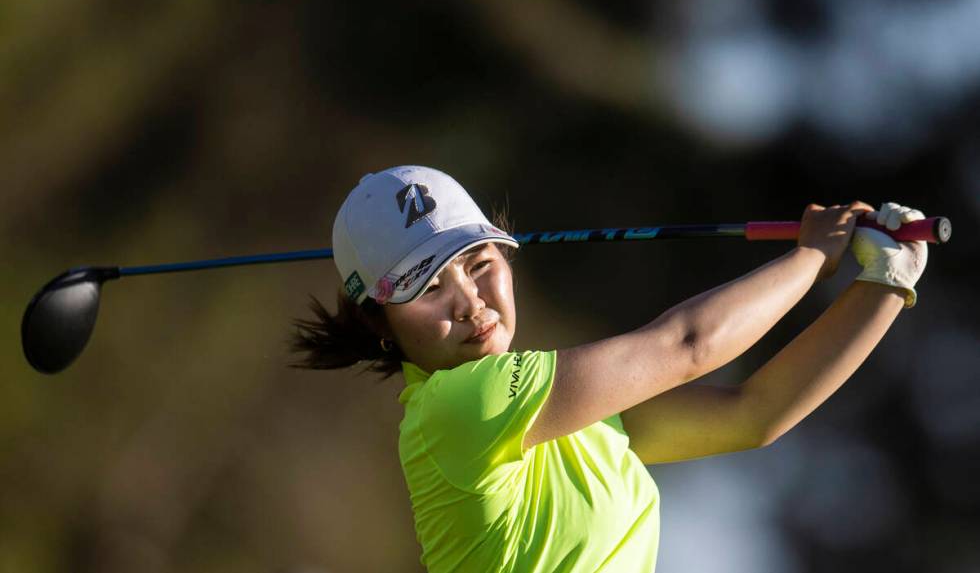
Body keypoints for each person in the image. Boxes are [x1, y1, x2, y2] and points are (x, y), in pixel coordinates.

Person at [290, 165, 929, 572]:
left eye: (480, 264)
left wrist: (885, 286)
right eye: (429, 288)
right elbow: (686, 345)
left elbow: (753, 415)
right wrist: (811, 260)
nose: (471, 301)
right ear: (380, 324)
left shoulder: (571, 416)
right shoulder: (456, 410)